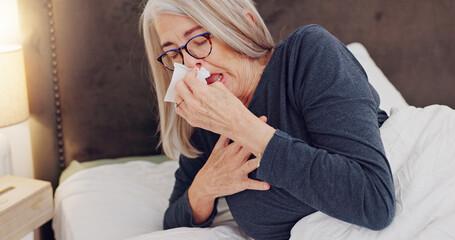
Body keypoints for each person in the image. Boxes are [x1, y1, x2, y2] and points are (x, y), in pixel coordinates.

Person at [140, 0, 396, 239]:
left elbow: (373, 201)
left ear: (245, 26)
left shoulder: (308, 55)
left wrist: (242, 127)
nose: (190, 65)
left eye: (198, 39)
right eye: (173, 54)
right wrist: (205, 188)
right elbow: (173, 223)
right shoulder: (204, 119)